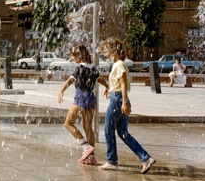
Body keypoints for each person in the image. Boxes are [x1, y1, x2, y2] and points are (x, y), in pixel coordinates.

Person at [98, 37, 156, 173]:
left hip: (118, 100)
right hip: (118, 97)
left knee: (108, 130)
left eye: (106, 52)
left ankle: (112, 161)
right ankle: (145, 158)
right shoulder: (118, 65)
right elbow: (118, 82)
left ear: (113, 51)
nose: (105, 55)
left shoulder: (119, 65)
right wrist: (109, 88)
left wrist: (124, 102)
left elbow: (123, 83)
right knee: (123, 133)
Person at [57, 43, 99, 165]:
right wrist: (107, 87)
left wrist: (61, 91)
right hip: (91, 98)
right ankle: (91, 157)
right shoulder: (93, 68)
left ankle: (85, 146)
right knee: (88, 128)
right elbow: (99, 79)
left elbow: (69, 81)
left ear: (79, 56)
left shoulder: (79, 68)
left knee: (68, 123)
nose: (73, 59)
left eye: (73, 56)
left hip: (81, 98)